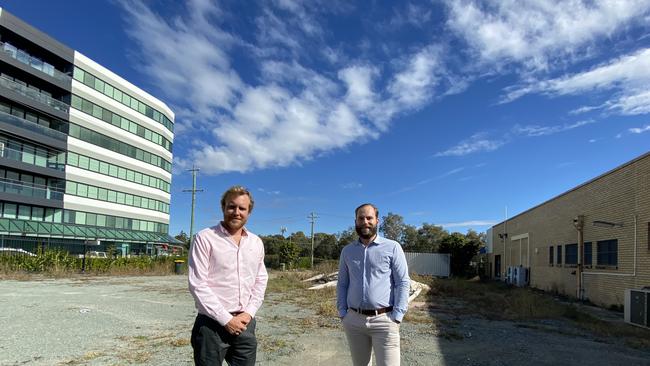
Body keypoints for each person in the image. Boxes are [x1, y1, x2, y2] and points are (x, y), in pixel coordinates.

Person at [188, 186, 268, 366]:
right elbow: (197, 284)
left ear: (249, 212)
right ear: (223, 207)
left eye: (242, 208)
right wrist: (226, 319)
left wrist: (249, 313)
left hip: (245, 324)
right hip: (211, 325)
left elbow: (260, 280)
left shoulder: (256, 242)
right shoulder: (205, 238)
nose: (236, 212)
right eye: (231, 207)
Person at [337, 203, 410, 366]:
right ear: (355, 221)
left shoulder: (392, 247)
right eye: (361, 218)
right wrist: (343, 313)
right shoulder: (347, 251)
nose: (365, 222)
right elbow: (342, 283)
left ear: (377, 221)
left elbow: (403, 282)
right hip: (354, 321)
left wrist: (397, 316)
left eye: (369, 218)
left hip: (385, 321)